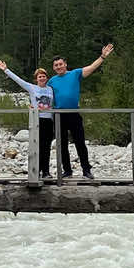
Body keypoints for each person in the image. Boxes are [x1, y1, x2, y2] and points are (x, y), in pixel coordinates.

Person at [47, 43, 113, 179]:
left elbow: (92, 67)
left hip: (73, 114)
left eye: (60, 64)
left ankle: (86, 170)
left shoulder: (75, 74)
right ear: (54, 68)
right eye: (56, 65)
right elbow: (43, 95)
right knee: (62, 145)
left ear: (65, 64)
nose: (58, 67)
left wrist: (102, 57)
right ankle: (67, 171)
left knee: (80, 142)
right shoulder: (51, 81)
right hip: (59, 115)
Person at [0, 58, 55, 178]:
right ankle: (36, 171)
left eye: (44, 76)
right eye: (40, 76)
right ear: (36, 79)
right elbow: (18, 80)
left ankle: (46, 172)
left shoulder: (50, 89)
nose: (42, 78)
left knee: (47, 147)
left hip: (49, 120)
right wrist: (6, 70)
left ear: (46, 78)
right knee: (37, 146)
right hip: (37, 120)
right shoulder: (32, 88)